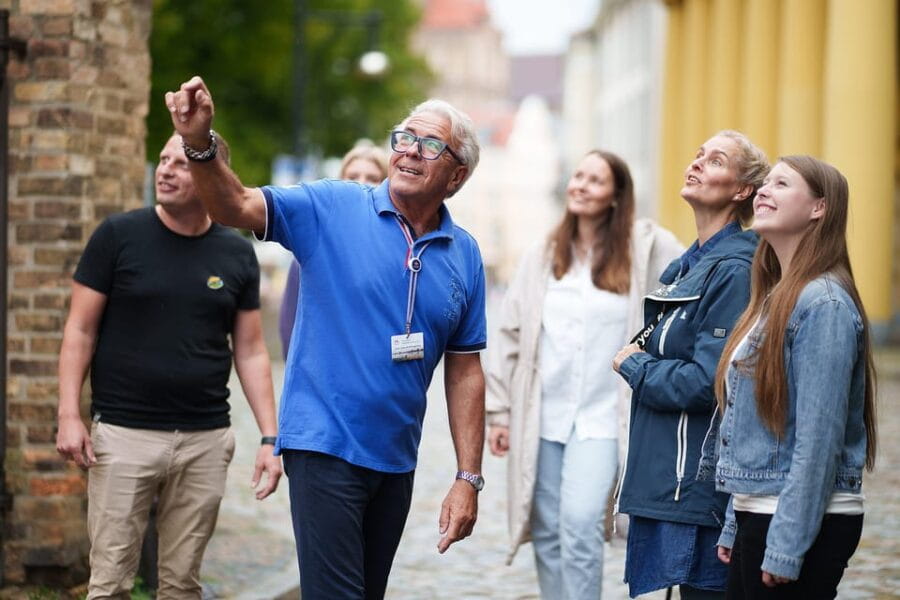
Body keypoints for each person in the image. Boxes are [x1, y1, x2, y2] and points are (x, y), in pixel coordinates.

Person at [164, 76, 487, 599]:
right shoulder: (331, 206)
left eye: (430, 145)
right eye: (403, 138)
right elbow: (236, 206)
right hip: (324, 445)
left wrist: (467, 477)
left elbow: (465, 368)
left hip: (396, 459)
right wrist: (200, 146)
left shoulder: (464, 255)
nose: (409, 152)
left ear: (456, 175)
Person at [55, 132, 283, 599]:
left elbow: (252, 350)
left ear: (210, 174)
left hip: (204, 440)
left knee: (182, 585)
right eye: (162, 160)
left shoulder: (236, 253)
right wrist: (68, 414)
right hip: (123, 435)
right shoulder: (118, 236)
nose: (164, 170)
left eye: (180, 163)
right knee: (111, 582)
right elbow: (79, 330)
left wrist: (269, 436)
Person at [485, 150, 682, 598]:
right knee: (548, 530)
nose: (582, 186)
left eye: (596, 180)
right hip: (544, 415)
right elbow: (509, 333)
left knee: (579, 524)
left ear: (616, 195)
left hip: (602, 416)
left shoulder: (644, 248)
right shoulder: (543, 254)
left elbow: (695, 271)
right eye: (579, 176)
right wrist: (498, 412)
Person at [707, 156, 877, 599]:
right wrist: (733, 520)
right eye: (765, 184)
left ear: (819, 208)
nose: (764, 191)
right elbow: (755, 426)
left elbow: (818, 438)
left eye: (781, 184)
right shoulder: (773, 298)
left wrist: (786, 545)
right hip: (758, 511)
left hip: (797, 520)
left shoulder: (824, 304)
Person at [612, 131, 768, 599]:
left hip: (696, 485)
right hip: (668, 476)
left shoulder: (735, 269)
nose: (696, 163)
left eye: (715, 160)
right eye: (697, 154)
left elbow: (709, 381)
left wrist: (635, 366)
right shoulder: (687, 267)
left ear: (742, 190)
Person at [278, 141, 389, 358]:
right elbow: (289, 326)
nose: (361, 184)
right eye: (353, 176)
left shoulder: (400, 253)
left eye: (373, 178)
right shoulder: (310, 251)